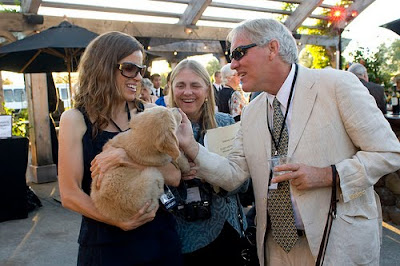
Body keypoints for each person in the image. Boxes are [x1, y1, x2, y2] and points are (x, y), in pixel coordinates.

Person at [177, 18, 400, 266]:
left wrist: (328, 175)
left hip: (337, 245)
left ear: (272, 49)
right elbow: (233, 174)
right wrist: (192, 147)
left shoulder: (337, 85)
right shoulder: (252, 112)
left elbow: (388, 152)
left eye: (239, 53)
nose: (233, 64)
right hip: (275, 250)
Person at [58, 31, 183, 266]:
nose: (137, 77)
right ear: (103, 67)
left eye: (140, 70)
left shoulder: (148, 113)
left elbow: (176, 177)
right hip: (107, 244)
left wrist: (128, 158)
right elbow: (69, 194)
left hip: (159, 237)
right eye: (129, 68)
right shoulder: (75, 119)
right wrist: (118, 221)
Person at [169, 59, 249, 266]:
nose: (188, 92)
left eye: (195, 85)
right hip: (185, 236)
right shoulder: (160, 128)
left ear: (207, 90)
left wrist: (213, 173)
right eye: (181, 85)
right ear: (171, 89)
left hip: (230, 229)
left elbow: (244, 184)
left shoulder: (226, 123)